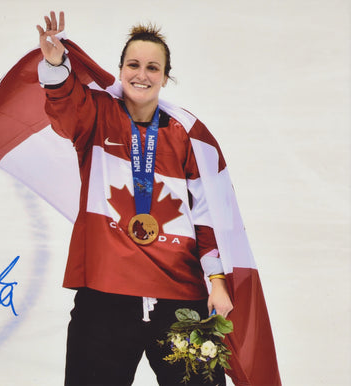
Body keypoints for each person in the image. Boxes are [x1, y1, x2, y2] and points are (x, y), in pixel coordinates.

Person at [36, 11, 233, 386]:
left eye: (152, 67)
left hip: (179, 299)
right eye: (133, 64)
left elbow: (205, 213)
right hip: (106, 298)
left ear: (165, 76)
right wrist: (55, 63)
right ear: (121, 68)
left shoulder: (186, 134)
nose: (141, 74)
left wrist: (218, 279)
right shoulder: (95, 116)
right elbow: (64, 107)